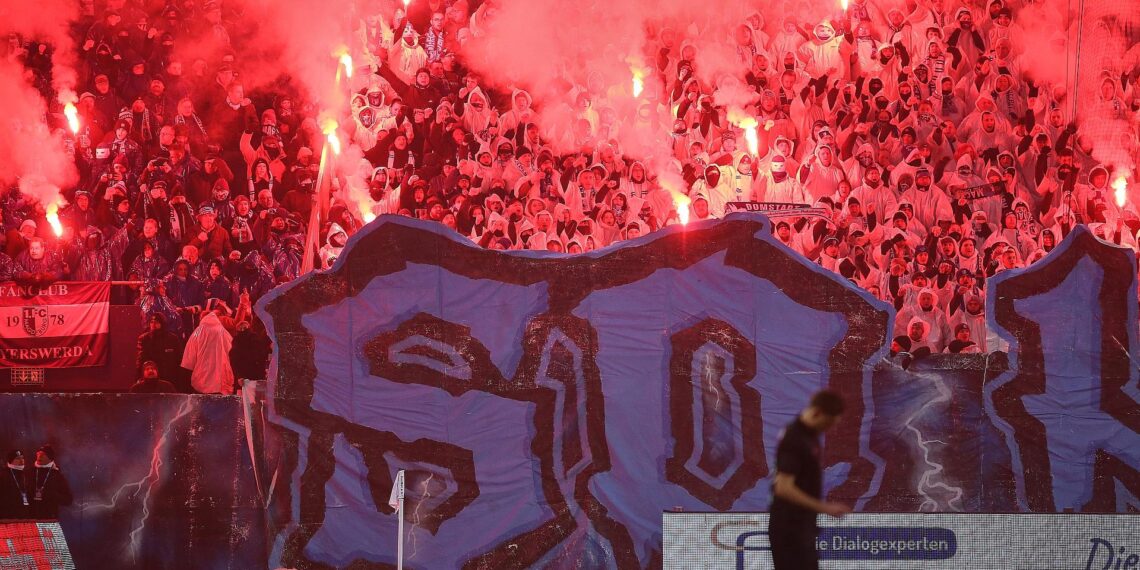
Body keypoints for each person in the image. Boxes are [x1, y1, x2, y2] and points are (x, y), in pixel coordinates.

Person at [768, 390, 850, 570]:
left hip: (802, 526)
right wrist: (824, 507)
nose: (829, 429)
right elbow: (783, 487)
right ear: (817, 413)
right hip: (788, 528)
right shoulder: (794, 438)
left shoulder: (810, 437)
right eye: (828, 423)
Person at [26, 445, 72, 520]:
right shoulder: (29, 472)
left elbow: (68, 499)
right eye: (38, 454)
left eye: (43, 454)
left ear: (50, 458)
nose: (39, 456)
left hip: (49, 520)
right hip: (30, 519)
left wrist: (52, 495)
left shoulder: (57, 475)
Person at [0, 450, 29, 520]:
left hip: (25, 514)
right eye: (18, 458)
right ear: (11, 460)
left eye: (22, 458)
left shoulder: (27, 473)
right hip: (7, 515)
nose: (21, 460)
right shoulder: (3, 474)